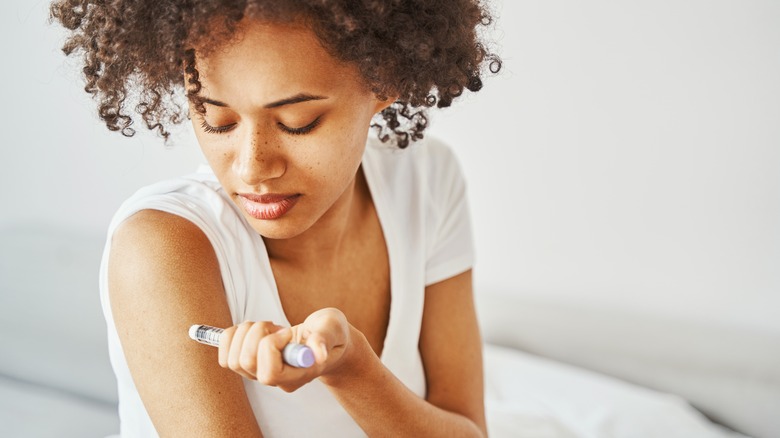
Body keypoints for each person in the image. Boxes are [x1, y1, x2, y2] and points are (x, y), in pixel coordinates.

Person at [51, 1, 500, 436]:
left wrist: (351, 369)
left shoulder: (425, 179)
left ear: (385, 81)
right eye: (216, 119)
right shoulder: (160, 247)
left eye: (297, 121)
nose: (251, 168)